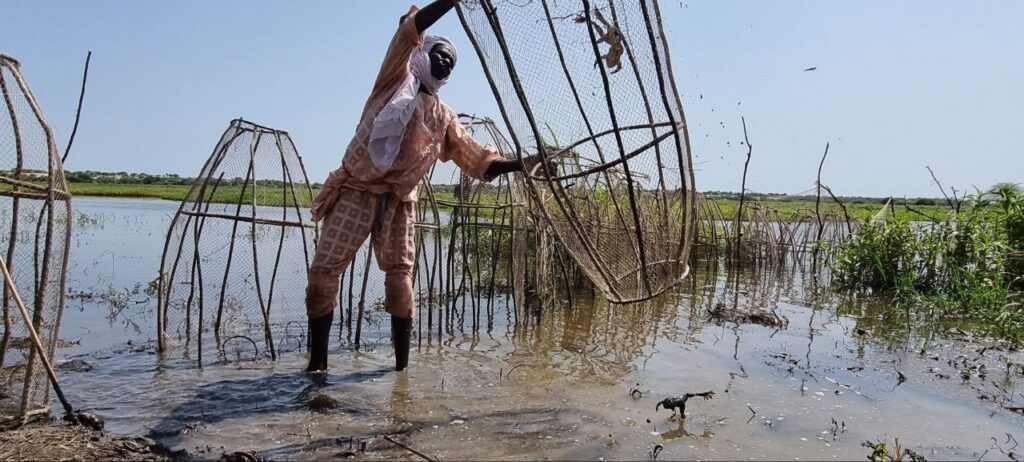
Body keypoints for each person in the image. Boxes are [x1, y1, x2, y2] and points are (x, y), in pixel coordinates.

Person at [305, 0, 547, 373]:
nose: (446, 61)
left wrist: (523, 164)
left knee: (401, 282)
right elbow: (409, 30)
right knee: (322, 275)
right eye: (441, 53)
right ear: (423, 52)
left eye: (452, 60)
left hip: (399, 201)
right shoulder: (393, 79)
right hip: (356, 188)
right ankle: (317, 367)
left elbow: (479, 161)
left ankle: (400, 373)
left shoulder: (443, 115)